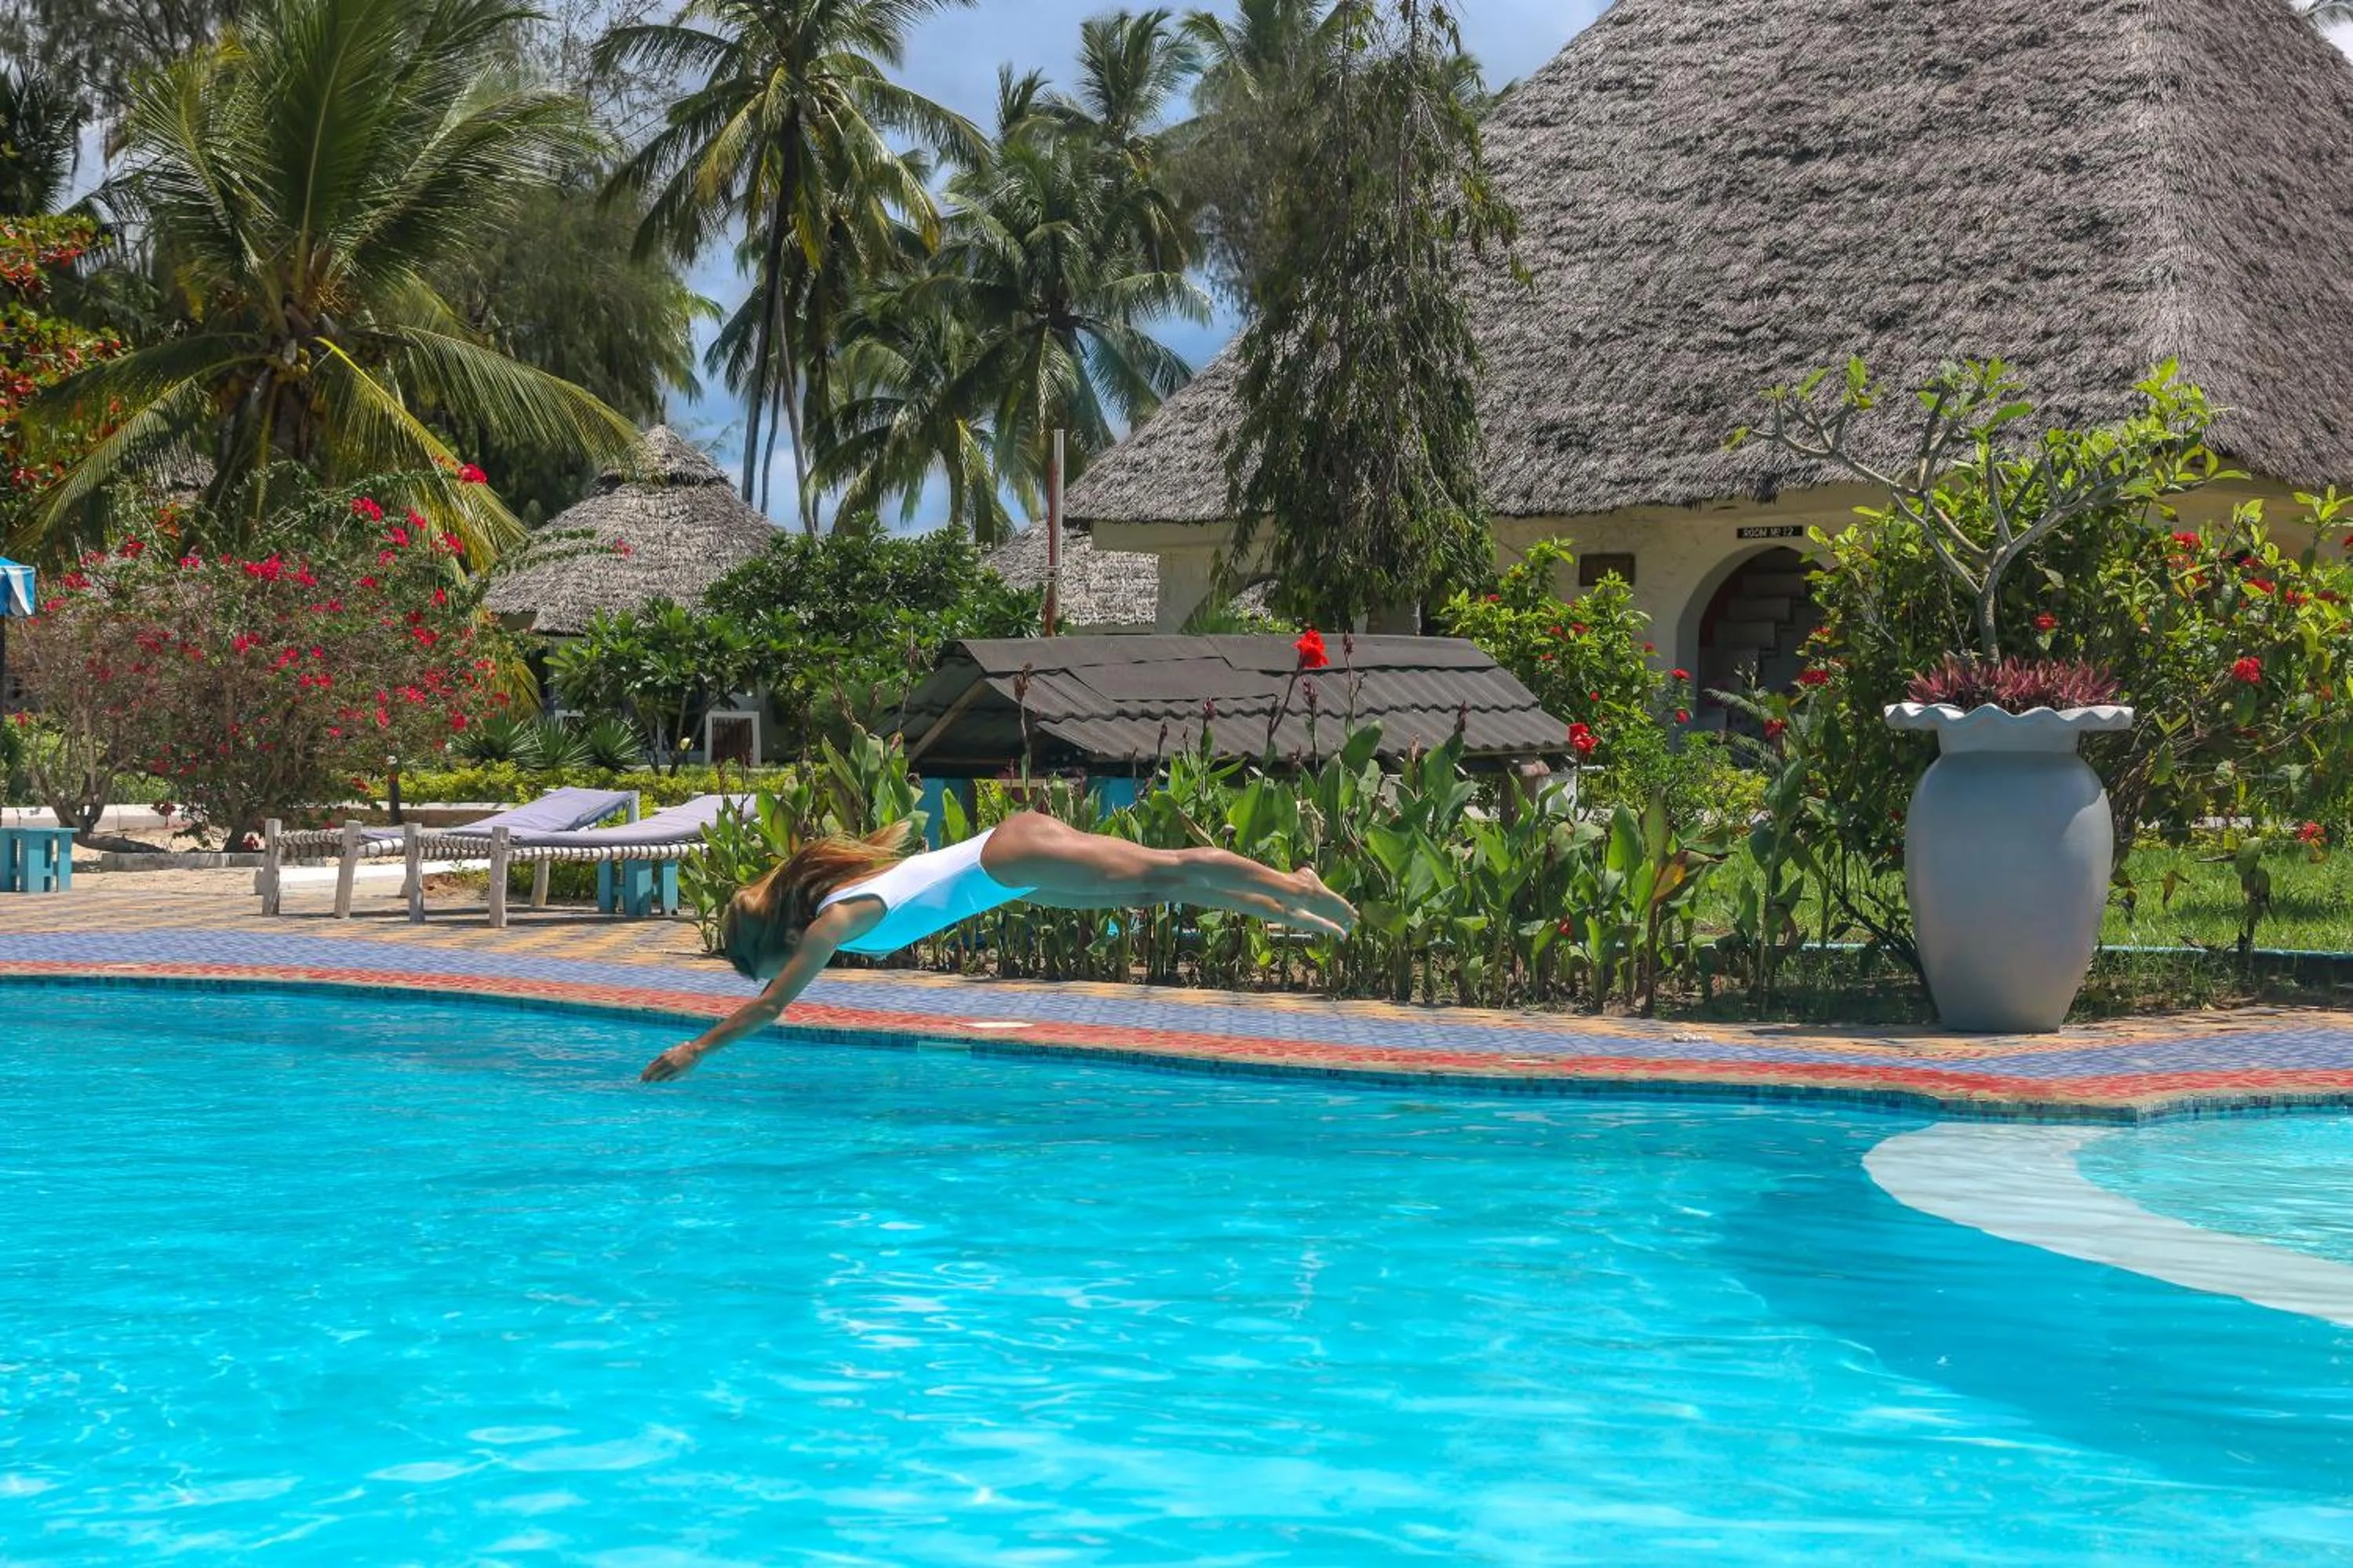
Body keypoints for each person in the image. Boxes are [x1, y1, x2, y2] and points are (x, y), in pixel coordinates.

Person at [639, 811, 1357, 1081]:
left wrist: (694, 1050)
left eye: (765, 965)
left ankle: (1293, 883)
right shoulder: (832, 910)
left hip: (1007, 859)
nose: (778, 977)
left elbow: (770, 1009)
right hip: (1011, 874)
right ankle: (1283, 904)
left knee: (1163, 866)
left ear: (783, 941)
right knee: (1153, 888)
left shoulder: (832, 923)